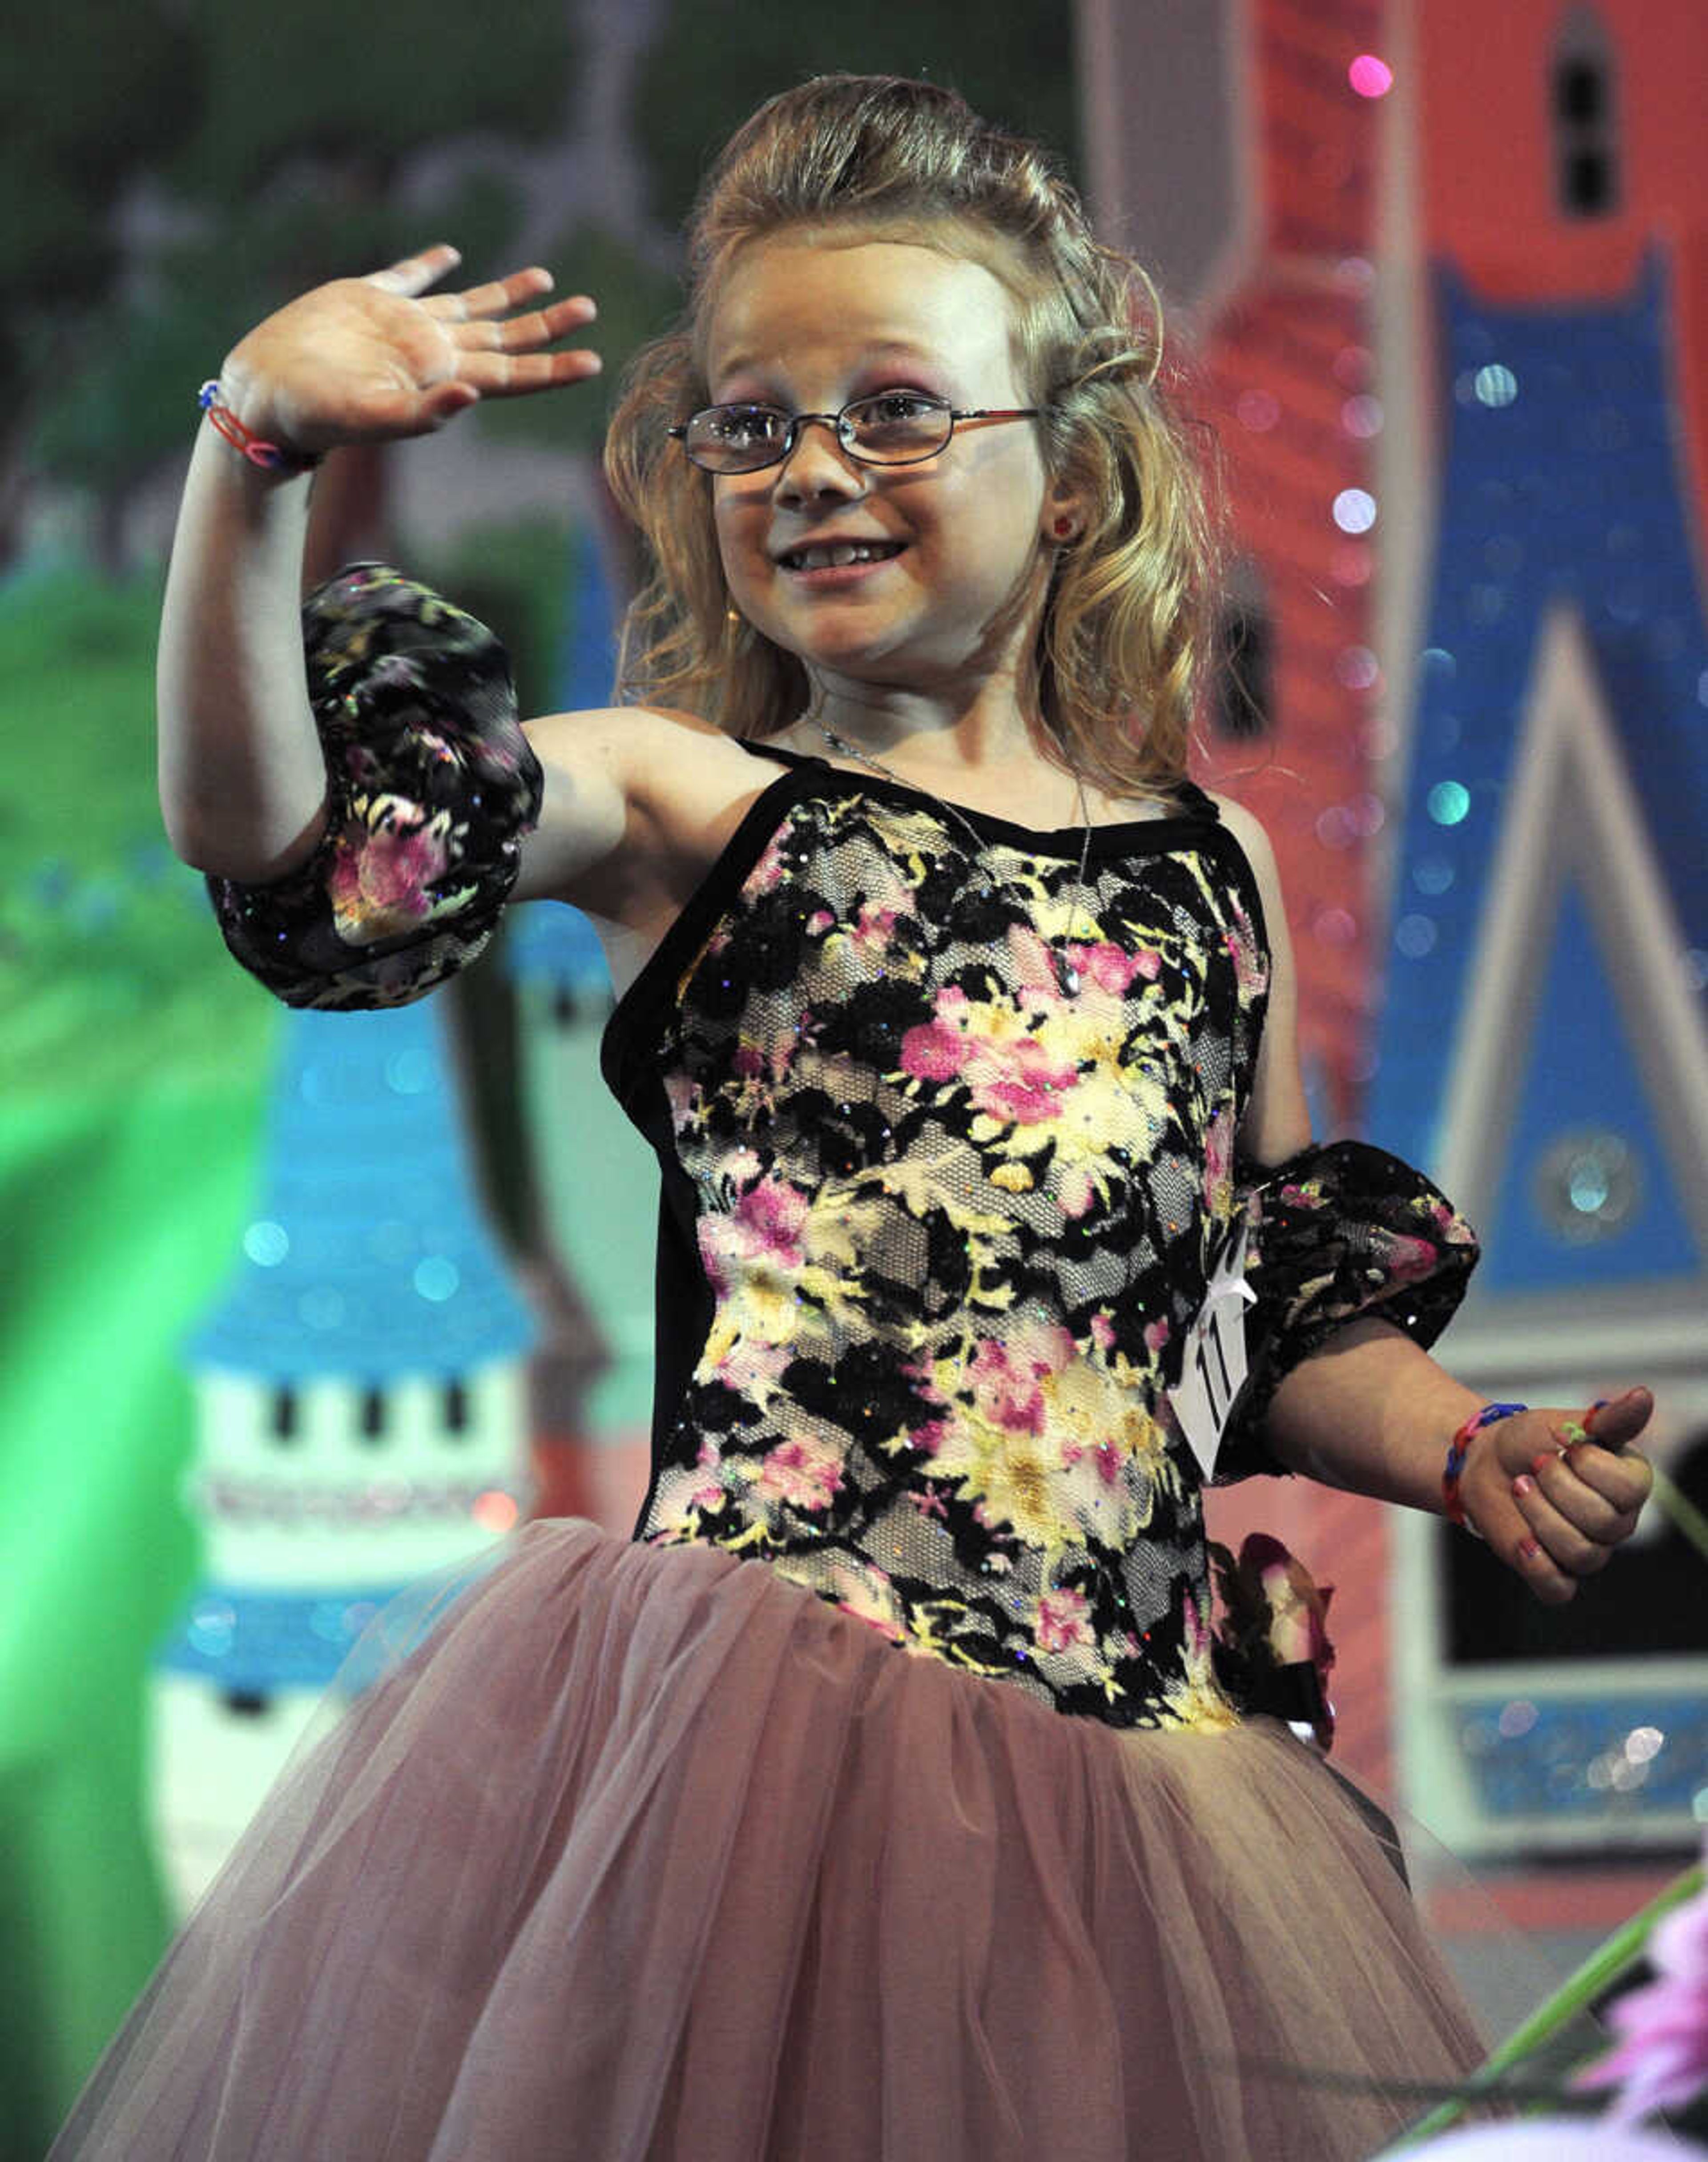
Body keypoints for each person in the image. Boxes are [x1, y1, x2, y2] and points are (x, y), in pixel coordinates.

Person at [55, 73, 1653, 2162]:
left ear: (1070, 477)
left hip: (1140, 1791)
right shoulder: (684, 803)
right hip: (780, 1742)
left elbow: (1250, 1296)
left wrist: (1464, 1445)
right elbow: (278, 836)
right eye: (751, 425)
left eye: (894, 409)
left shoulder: (1206, 873)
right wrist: (256, 454)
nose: (812, 468)